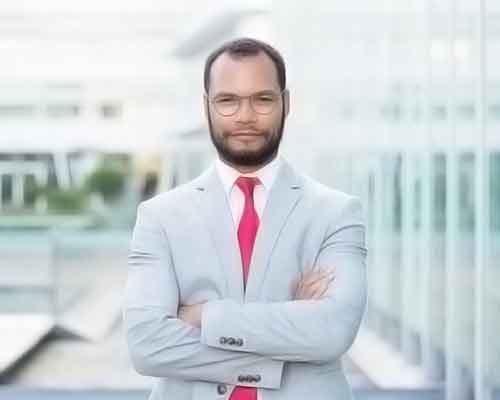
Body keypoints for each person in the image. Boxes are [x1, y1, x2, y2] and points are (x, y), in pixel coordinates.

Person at [123, 37, 367, 400]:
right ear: (206, 107)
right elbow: (147, 345)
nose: (245, 116)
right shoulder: (160, 217)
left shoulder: (336, 213)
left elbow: (332, 331)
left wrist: (206, 317)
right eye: (228, 101)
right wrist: (288, 333)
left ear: (285, 104)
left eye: (262, 99)